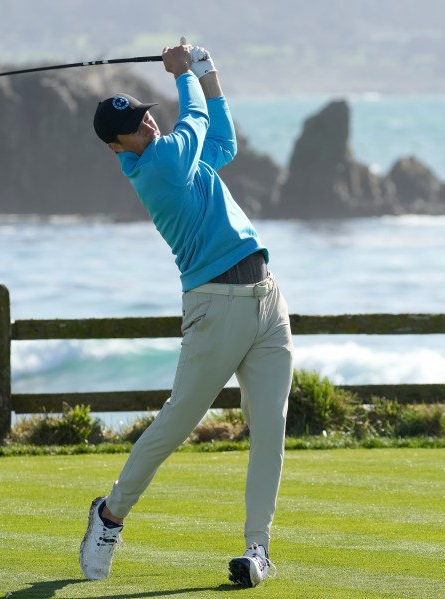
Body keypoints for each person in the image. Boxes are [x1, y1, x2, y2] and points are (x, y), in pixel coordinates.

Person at [80, 41, 294, 588]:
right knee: (178, 422)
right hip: (215, 307)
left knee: (269, 428)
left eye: (145, 114)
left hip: (267, 298)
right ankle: (109, 517)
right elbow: (196, 118)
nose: (147, 125)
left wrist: (210, 71)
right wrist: (184, 75)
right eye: (135, 125)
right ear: (115, 147)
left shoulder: (177, 152)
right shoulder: (156, 168)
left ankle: (258, 550)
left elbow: (222, 139)